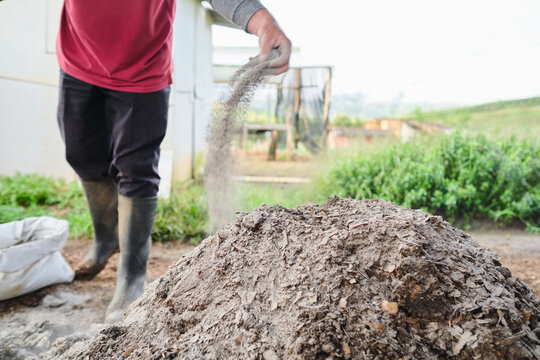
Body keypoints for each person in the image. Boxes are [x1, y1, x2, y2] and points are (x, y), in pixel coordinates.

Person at [56, 0, 291, 323]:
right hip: (78, 58)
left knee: (136, 170)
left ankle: (132, 275)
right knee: (81, 153)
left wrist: (264, 24)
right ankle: (106, 238)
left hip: (143, 69)